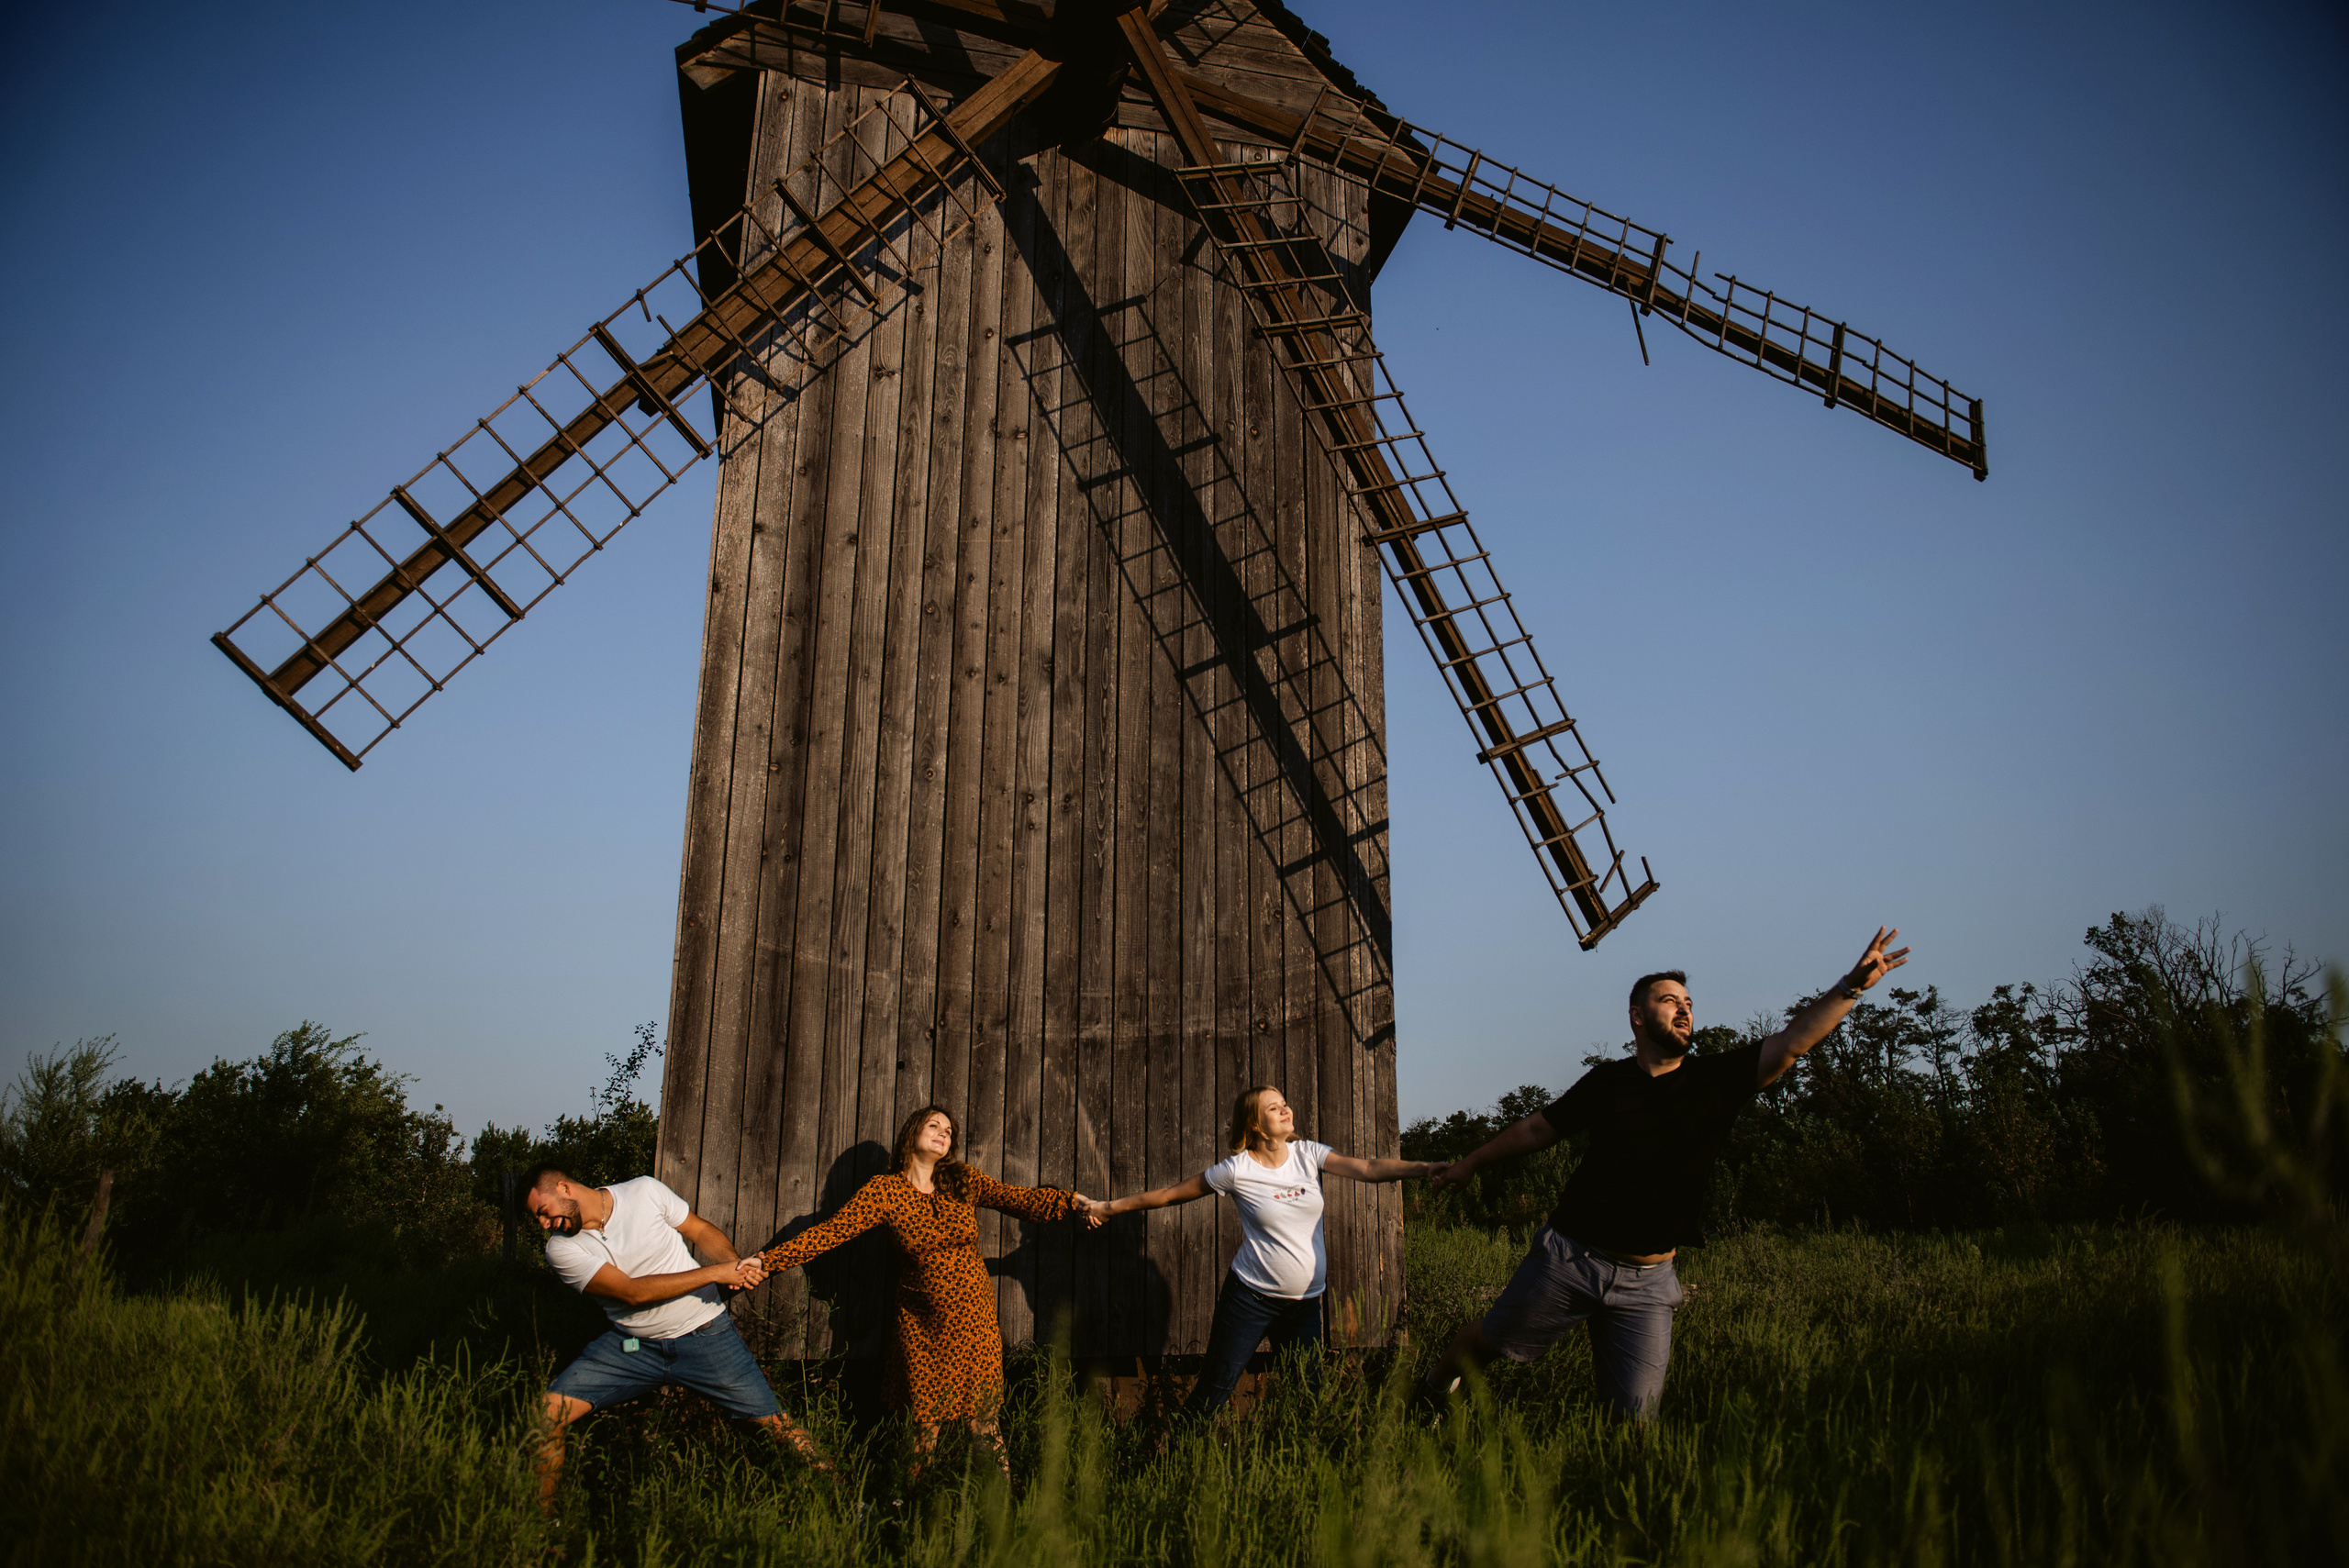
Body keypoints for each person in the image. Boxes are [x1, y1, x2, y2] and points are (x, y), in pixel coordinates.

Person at [1419, 928, 1913, 1421]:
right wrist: (1470, 1163)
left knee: (1636, 1421)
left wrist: (1850, 987)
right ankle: (1433, 1389)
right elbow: (1536, 1129)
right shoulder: (1608, 1082)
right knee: (1489, 1342)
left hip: (1649, 1283)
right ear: (1637, 1016)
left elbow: (1790, 1043)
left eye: (1689, 1003)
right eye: (1669, 1000)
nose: (1684, 1010)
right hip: (1571, 1260)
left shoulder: (1715, 1080)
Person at [757, 1105, 1091, 1473]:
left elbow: (1019, 1199)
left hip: (975, 1323)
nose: (943, 1133)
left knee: (984, 1422)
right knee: (923, 1427)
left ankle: (999, 1503)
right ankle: (913, 1502)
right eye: (934, 1125)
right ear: (911, 1133)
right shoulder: (885, 1191)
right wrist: (767, 1262)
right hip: (922, 1327)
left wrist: (1072, 1202)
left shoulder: (961, 1180)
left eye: (949, 1131)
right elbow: (832, 1232)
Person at [1082, 1084, 1438, 1416]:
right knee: (1213, 1393)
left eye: (1284, 1104)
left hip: (1304, 1306)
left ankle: (1305, 1459)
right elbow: (1168, 1195)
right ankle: (1174, 1449)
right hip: (1249, 1300)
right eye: (1274, 1107)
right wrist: (1107, 1208)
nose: (1286, 1110)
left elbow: (1368, 1167)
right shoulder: (1237, 1170)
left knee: (1309, 1399)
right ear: (1255, 1123)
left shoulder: (1308, 1154)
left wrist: (1426, 1168)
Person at [523, 1165, 832, 1510]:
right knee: (546, 1413)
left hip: (706, 1334)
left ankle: (844, 1497)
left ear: (564, 1188)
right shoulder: (560, 1250)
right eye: (539, 1219)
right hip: (634, 1348)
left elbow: (698, 1229)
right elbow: (632, 1293)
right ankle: (541, 1526)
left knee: (776, 1426)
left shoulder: (643, 1192)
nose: (544, 1224)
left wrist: (735, 1264)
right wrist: (716, 1273)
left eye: (543, 1212)